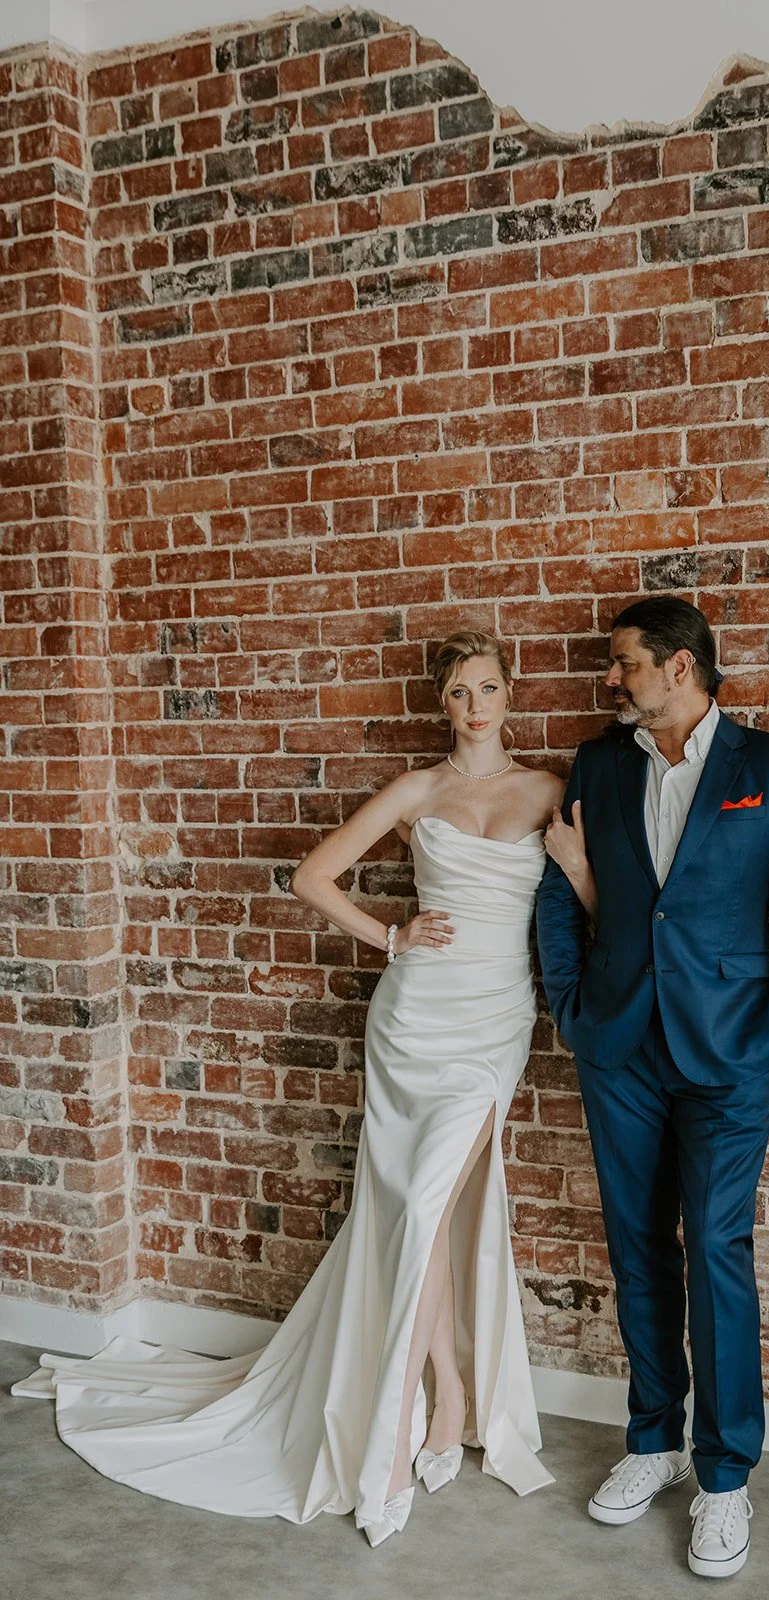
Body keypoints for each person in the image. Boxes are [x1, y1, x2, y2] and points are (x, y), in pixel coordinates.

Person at [14, 630, 564, 1547]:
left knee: (431, 1216)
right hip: (414, 1017)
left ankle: (441, 1402)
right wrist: (389, 938)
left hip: (494, 1022)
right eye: (461, 691)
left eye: (490, 688)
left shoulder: (549, 790)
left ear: (511, 696)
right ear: (444, 704)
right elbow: (312, 875)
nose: (476, 705)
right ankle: (424, 1413)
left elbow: (589, 897)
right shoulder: (416, 791)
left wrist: (579, 873)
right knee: (413, 1218)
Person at [536, 596, 769, 1580]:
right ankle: (649, 1441)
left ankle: (721, 1476)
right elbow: (559, 894)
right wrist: (570, 1009)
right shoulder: (596, 765)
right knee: (635, 1246)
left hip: (729, 1055)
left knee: (713, 1249)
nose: (612, 679)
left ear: (679, 667)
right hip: (617, 1046)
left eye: (624, 662)